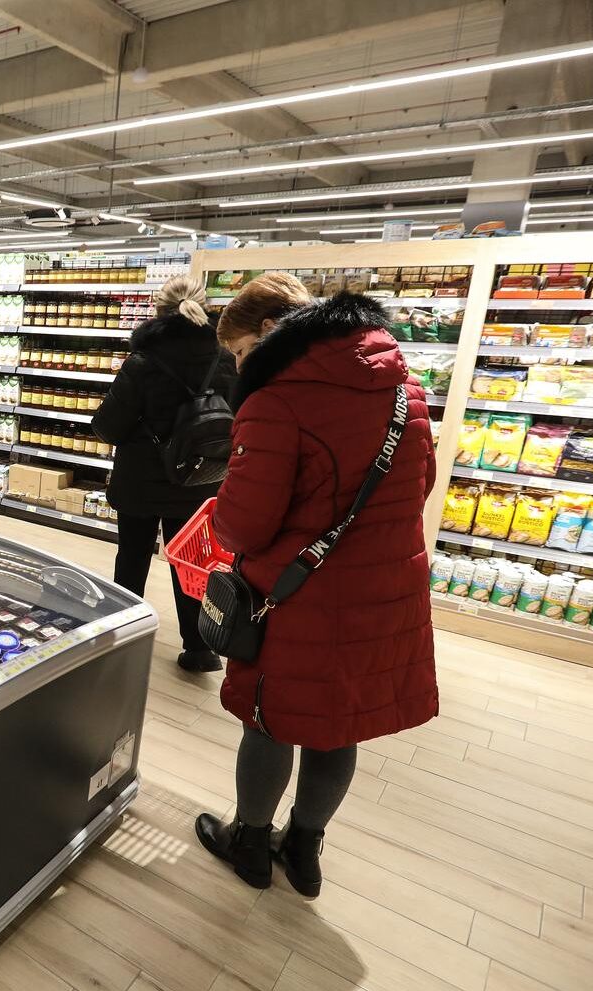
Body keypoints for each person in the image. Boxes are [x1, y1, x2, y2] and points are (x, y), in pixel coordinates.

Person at [194, 273, 438, 898]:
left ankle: (250, 844)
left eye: (241, 352)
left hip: (296, 596)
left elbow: (244, 525)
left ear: (269, 332)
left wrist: (224, 508)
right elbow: (421, 485)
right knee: (339, 723)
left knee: (269, 718)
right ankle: (303, 851)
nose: (240, 367)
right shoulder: (405, 391)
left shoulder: (277, 401)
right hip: (384, 593)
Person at [92, 275, 235, 672]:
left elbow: (108, 426)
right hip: (199, 479)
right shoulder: (225, 358)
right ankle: (200, 648)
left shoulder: (142, 362)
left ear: (158, 310)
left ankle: (125, 636)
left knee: (133, 556)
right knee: (191, 563)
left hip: (141, 480)